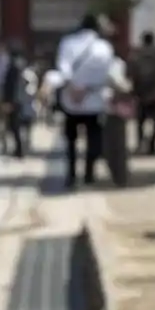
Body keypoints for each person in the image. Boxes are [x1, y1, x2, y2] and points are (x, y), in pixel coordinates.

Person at [55, 14, 114, 190]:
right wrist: (87, 88)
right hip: (94, 99)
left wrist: (74, 87)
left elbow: (63, 68)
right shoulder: (104, 47)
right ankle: (89, 173)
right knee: (94, 138)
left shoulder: (67, 43)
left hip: (71, 99)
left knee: (71, 140)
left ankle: (71, 175)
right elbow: (106, 73)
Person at [129, 32, 155, 155]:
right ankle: (152, 146)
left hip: (141, 93)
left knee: (140, 122)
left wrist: (134, 91)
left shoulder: (137, 55)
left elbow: (132, 74)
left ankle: (141, 143)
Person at [1, 42, 32, 159]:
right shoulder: (22, 65)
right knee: (17, 126)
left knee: (14, 126)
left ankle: (18, 149)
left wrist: (8, 101)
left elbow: (10, 86)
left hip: (13, 100)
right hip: (20, 99)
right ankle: (19, 148)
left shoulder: (13, 66)